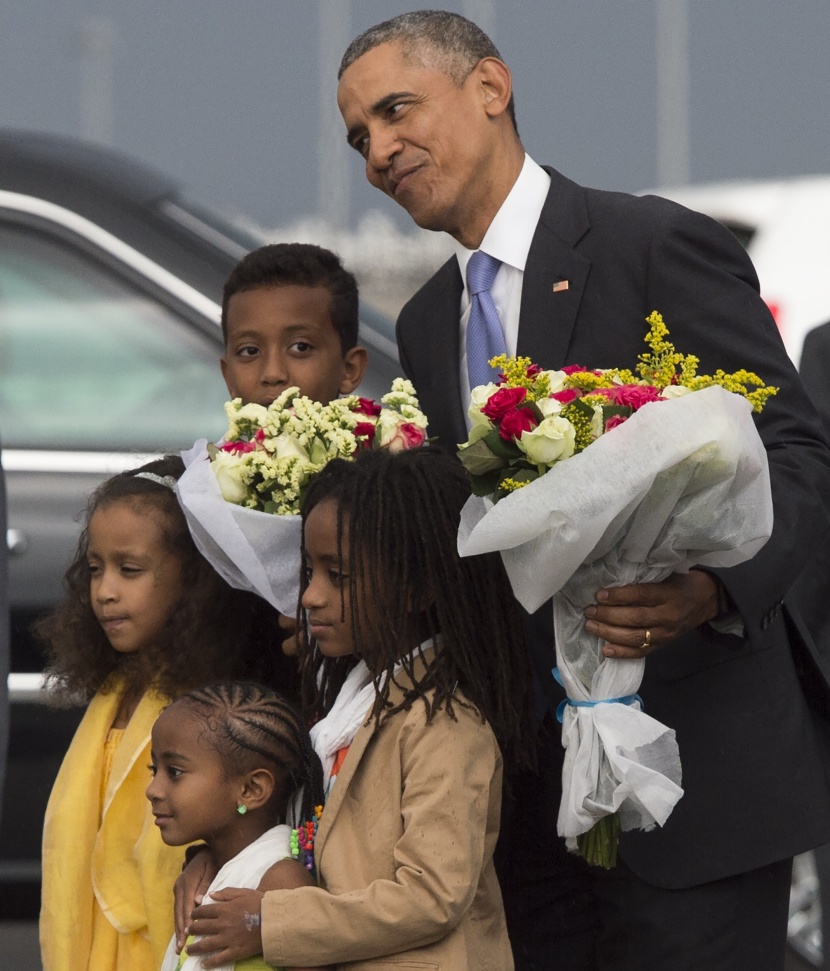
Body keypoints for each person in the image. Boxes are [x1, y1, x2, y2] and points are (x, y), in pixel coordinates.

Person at [335, 11, 830, 971]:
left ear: (491, 87)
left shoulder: (652, 244)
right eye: (360, 137)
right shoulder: (430, 318)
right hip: (531, 812)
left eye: (396, 112)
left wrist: (711, 591)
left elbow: (798, 451)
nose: (380, 152)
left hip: (700, 790)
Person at [176, 445, 534, 969]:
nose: (310, 596)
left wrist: (269, 923)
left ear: (417, 589)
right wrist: (213, 859)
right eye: (308, 571)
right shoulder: (346, 704)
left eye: (337, 577)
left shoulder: (445, 725)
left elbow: (432, 895)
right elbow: (301, 831)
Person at [36, 455, 294, 971]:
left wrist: (198, 856)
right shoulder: (115, 690)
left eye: (130, 569)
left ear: (195, 578)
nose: (105, 591)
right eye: (94, 569)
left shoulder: (217, 707)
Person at [148, 681, 328, 971]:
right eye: (154, 770)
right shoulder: (204, 875)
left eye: (175, 772)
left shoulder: (281, 880)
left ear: (251, 789)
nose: (153, 789)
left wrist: (261, 923)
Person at [220, 242, 367, 408]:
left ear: (349, 369)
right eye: (250, 351)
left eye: (301, 347)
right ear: (229, 377)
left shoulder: (392, 434)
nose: (273, 374)